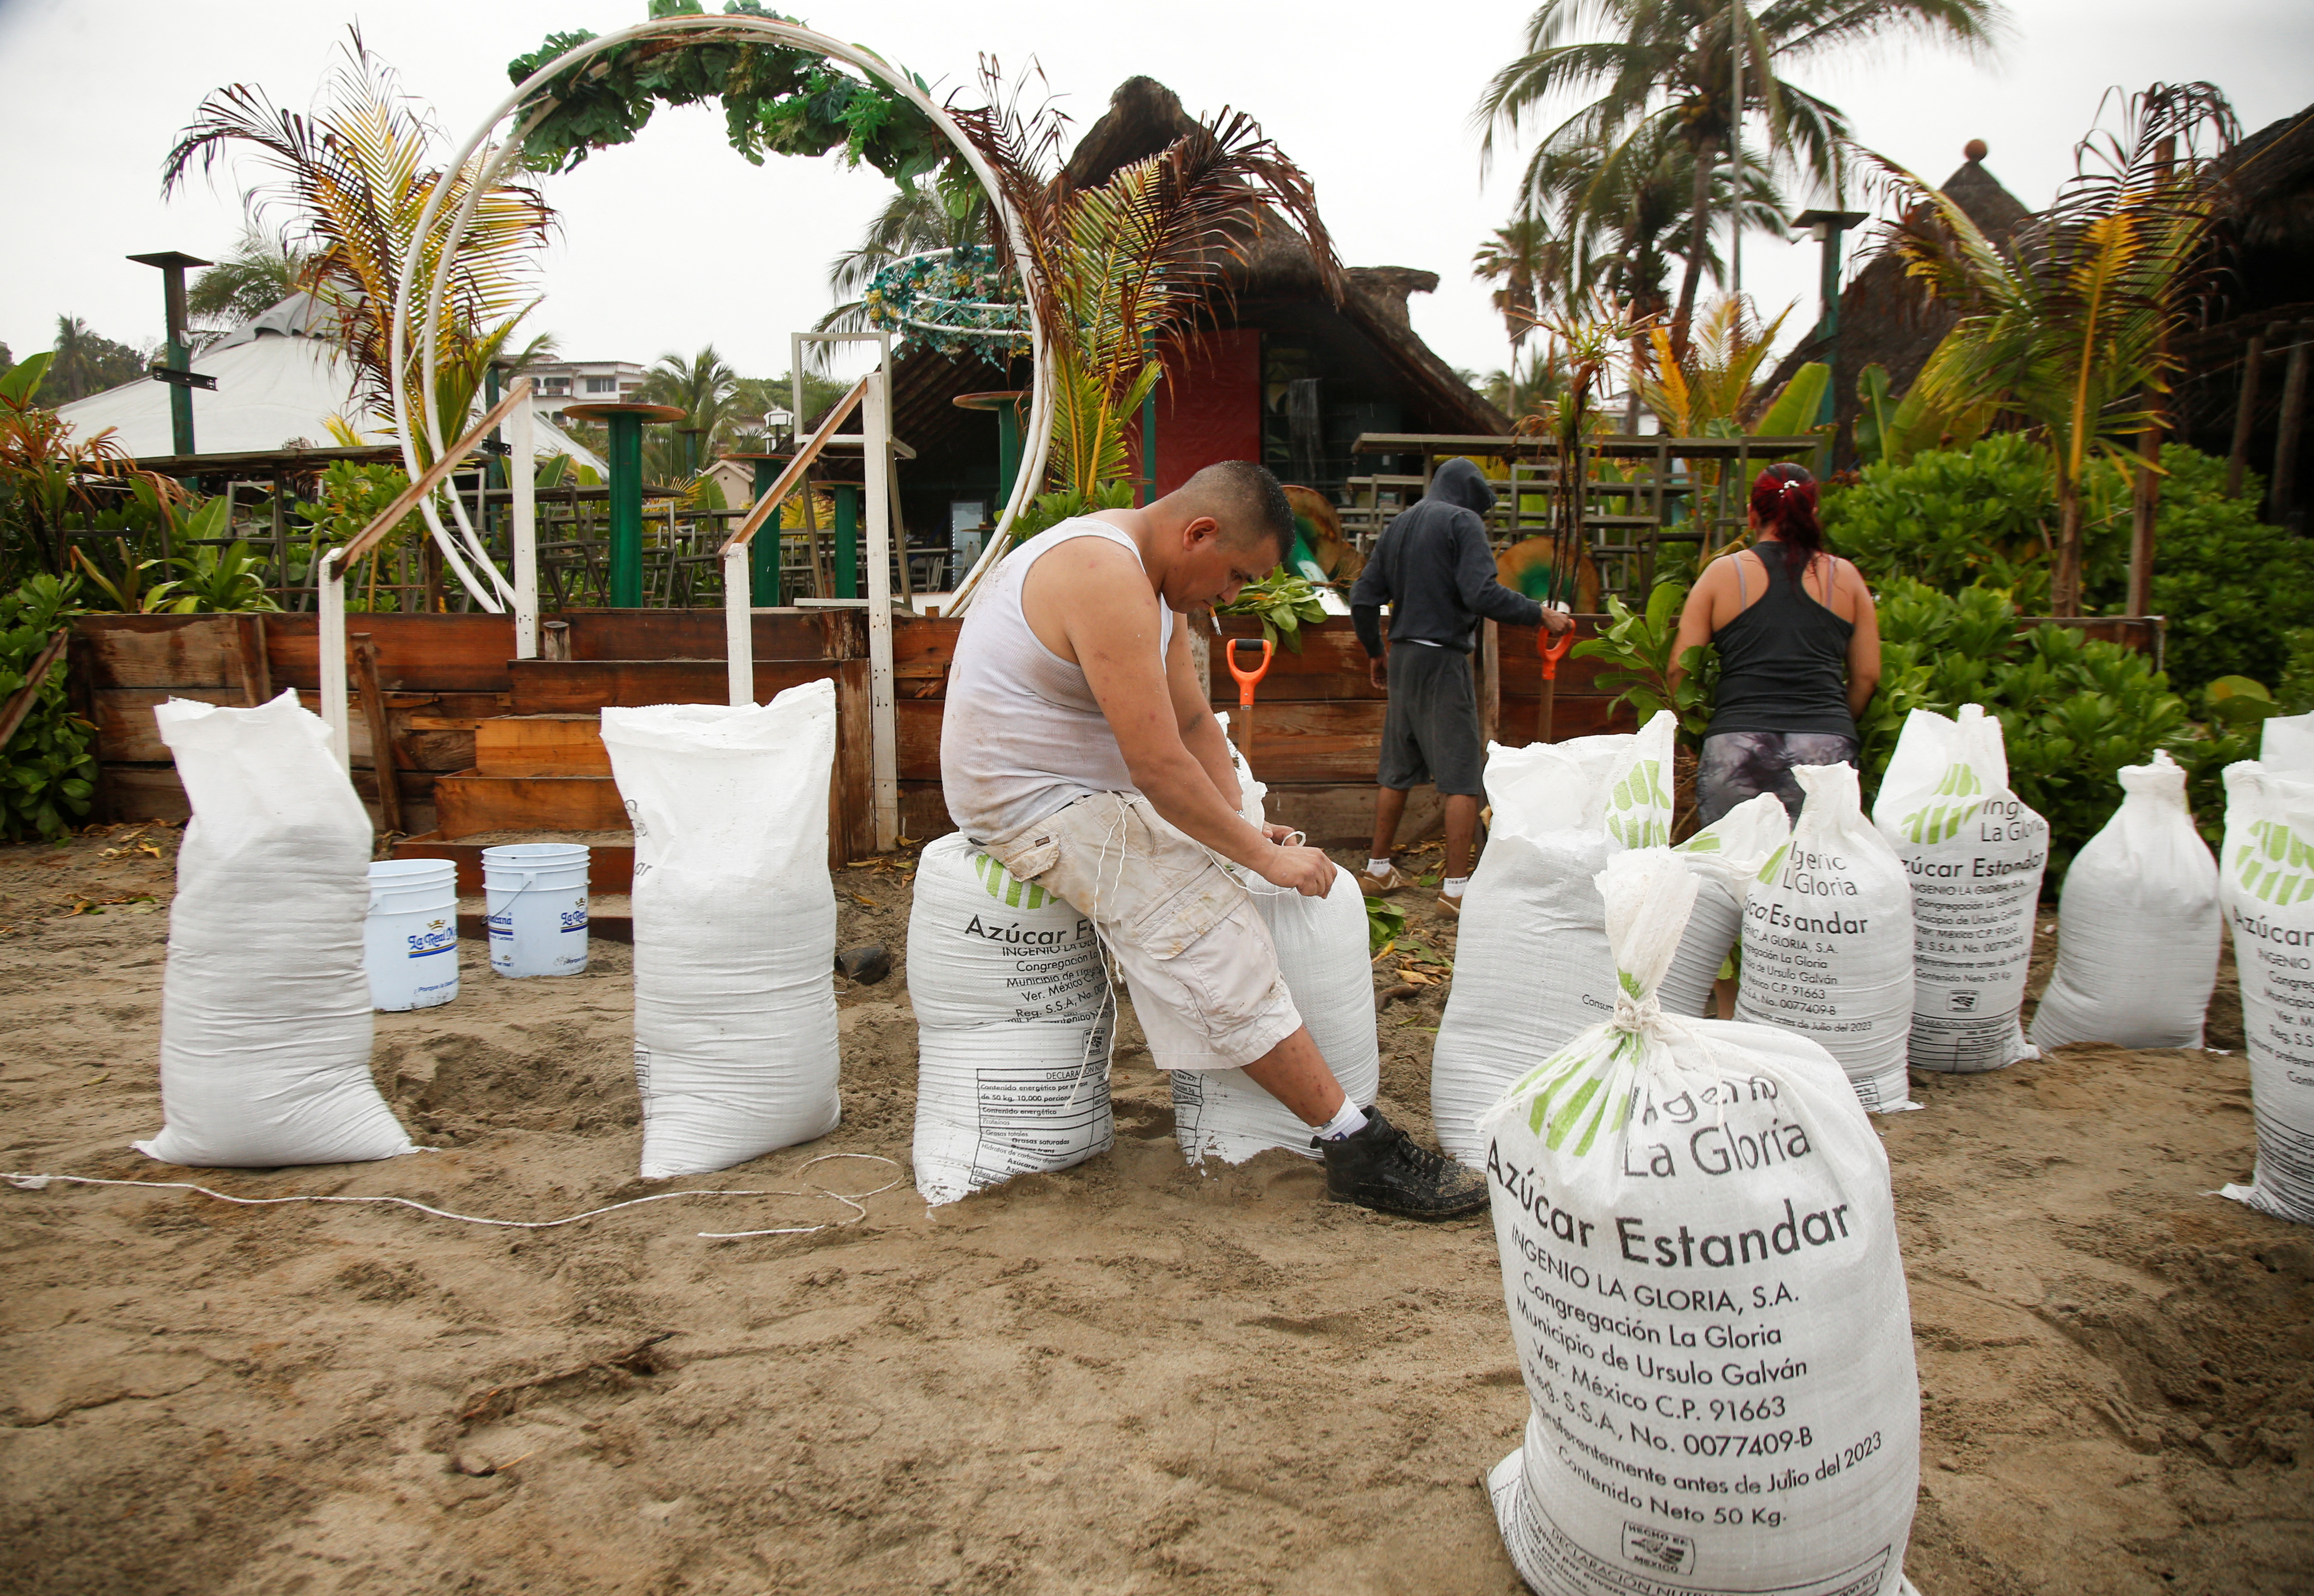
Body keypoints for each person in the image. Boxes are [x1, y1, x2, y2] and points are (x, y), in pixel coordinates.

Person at [940, 460, 1487, 1218]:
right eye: (1236, 575)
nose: (1232, 596)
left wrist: (1242, 820)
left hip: (1089, 785)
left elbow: (1194, 725)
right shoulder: (1105, 572)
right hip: (1025, 799)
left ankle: (1337, 1121)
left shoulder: (1151, 582)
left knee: (1217, 838)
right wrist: (1264, 858)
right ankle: (1354, 1143)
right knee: (1197, 921)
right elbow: (1159, 765)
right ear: (1199, 533)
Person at [1348, 457, 1572, 915]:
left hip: (1405, 656)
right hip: (1443, 660)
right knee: (1462, 778)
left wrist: (1376, 651)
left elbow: (1363, 596)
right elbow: (1481, 594)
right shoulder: (1461, 521)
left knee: (1396, 769)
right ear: (1471, 498)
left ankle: (1378, 868)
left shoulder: (1400, 526)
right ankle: (1455, 890)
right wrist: (1540, 614)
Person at [1670, 462, 1882, 827]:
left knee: (1731, 872)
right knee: (1815, 876)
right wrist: (1834, 724)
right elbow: (1867, 677)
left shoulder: (1723, 574)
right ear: (1812, 513)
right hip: (1824, 752)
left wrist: (1700, 730)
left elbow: (1678, 669)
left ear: (1752, 514)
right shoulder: (1844, 576)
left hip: (1736, 747)